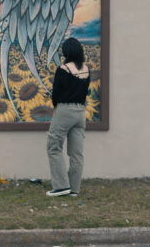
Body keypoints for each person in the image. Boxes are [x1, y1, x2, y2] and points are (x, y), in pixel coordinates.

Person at [46, 37, 90, 197]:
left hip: (65, 110)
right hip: (80, 112)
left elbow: (56, 93)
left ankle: (61, 186)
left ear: (66, 52)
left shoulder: (63, 69)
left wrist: (57, 107)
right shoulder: (86, 69)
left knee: (53, 146)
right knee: (76, 153)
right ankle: (74, 189)